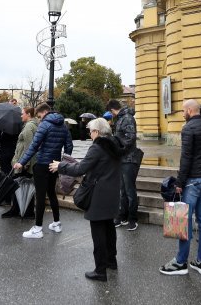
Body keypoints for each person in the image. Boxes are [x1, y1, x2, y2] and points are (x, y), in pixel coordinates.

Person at [51, 117, 123, 281]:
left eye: (90, 131)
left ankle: (100, 270)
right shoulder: (115, 145)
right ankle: (111, 261)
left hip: (98, 195)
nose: (90, 135)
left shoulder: (97, 148)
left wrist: (60, 166)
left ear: (97, 132)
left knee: (98, 232)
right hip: (112, 193)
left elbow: (80, 169)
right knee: (109, 229)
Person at [159, 99, 201, 276]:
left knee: (183, 222)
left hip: (192, 181)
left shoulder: (188, 128)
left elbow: (186, 158)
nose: (182, 113)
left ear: (190, 110)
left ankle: (181, 262)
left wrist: (179, 183)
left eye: (184, 110)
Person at [13, 103, 73, 239]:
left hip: (41, 165)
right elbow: (69, 145)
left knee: (40, 196)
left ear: (44, 112)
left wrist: (21, 162)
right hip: (54, 165)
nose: (39, 119)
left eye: (39, 116)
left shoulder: (44, 125)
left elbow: (33, 146)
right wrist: (62, 163)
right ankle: (57, 223)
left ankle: (38, 228)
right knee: (51, 193)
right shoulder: (63, 125)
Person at [108, 99, 142, 231]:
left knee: (129, 190)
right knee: (122, 190)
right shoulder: (121, 118)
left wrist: (118, 147)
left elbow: (130, 138)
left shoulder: (127, 118)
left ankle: (132, 219)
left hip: (129, 159)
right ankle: (122, 217)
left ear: (112, 110)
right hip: (122, 159)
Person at [2, 107, 38, 219]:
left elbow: (29, 146)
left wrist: (24, 163)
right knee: (24, 186)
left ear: (28, 114)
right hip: (24, 162)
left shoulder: (28, 127)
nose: (21, 116)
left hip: (23, 163)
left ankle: (21, 211)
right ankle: (23, 211)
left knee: (18, 186)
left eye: (22, 114)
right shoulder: (32, 125)